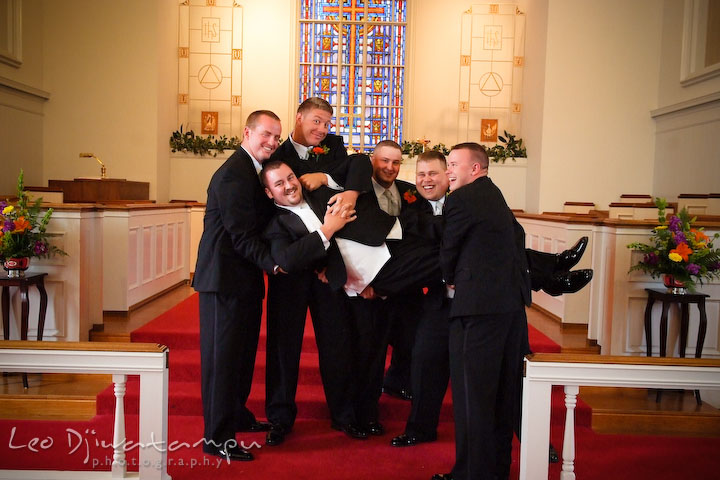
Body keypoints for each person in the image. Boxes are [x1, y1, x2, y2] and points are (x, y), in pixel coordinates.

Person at [261, 160, 441, 440]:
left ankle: (356, 416)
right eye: (279, 183)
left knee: (352, 350)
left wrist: (348, 191)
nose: (289, 185)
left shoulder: (322, 194)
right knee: (327, 352)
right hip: (342, 284)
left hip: (385, 256)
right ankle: (324, 417)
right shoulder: (275, 225)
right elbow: (287, 259)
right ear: (269, 194)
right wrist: (327, 230)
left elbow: (360, 163)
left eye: (290, 177)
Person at [432, 142, 530, 480]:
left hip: (477, 310)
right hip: (510, 309)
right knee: (503, 395)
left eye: (454, 164)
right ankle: (494, 471)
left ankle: (470, 475)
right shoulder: (494, 195)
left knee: (472, 397)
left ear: (476, 168)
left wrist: (450, 277)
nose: (448, 170)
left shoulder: (461, 198)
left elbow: (450, 248)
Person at [192, 110, 283, 462]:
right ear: (247, 132)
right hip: (224, 280)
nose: (272, 142)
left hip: (243, 279)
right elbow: (241, 235)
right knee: (223, 360)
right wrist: (275, 264)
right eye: (266, 135)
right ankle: (217, 437)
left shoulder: (253, 170)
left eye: (276, 137)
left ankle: (237, 415)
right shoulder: (233, 173)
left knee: (242, 356)